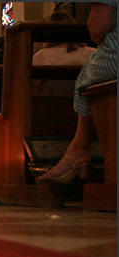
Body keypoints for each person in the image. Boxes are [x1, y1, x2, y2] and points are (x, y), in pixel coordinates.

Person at [38, 2, 117, 184]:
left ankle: (79, 149)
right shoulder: (88, 52)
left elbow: (98, 27)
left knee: (85, 78)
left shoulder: (40, 57)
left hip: (50, 119)